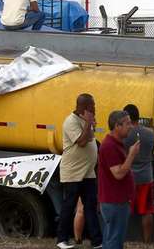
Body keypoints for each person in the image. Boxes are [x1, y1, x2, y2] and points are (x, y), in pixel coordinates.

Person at [57, 94, 102, 249]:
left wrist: (90, 124)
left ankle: (97, 241)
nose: (94, 109)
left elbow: (90, 139)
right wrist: (88, 123)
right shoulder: (70, 122)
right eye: (92, 107)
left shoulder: (84, 121)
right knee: (69, 206)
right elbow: (82, 142)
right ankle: (61, 239)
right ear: (83, 108)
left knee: (91, 206)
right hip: (73, 173)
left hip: (88, 172)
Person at [98, 110, 140, 249]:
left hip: (118, 201)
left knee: (112, 238)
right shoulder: (109, 146)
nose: (131, 126)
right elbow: (118, 174)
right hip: (114, 202)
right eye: (127, 124)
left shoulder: (116, 143)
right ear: (117, 126)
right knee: (114, 241)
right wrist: (131, 155)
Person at [123, 104, 154, 243]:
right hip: (146, 177)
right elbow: (152, 151)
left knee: (124, 211)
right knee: (147, 210)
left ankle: (124, 239)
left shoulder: (123, 134)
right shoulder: (150, 133)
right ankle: (147, 241)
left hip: (127, 177)